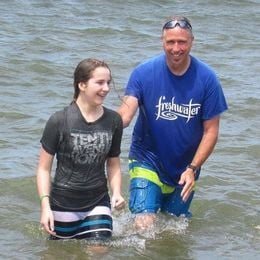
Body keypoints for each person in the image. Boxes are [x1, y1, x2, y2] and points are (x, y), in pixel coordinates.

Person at [117, 16, 228, 230]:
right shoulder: (144, 72)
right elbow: (126, 113)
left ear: (192, 42)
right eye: (170, 42)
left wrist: (192, 168)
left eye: (182, 42)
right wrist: (98, 119)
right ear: (162, 42)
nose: (176, 48)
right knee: (144, 226)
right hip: (146, 159)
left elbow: (211, 132)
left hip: (186, 168)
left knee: (174, 229)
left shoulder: (207, 79)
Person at [36, 58, 125, 240]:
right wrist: (45, 207)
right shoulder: (59, 120)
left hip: (98, 200)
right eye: (99, 83)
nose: (106, 88)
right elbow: (43, 169)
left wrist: (116, 192)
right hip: (63, 203)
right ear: (82, 85)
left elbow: (113, 163)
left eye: (108, 82)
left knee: (99, 249)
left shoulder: (114, 121)